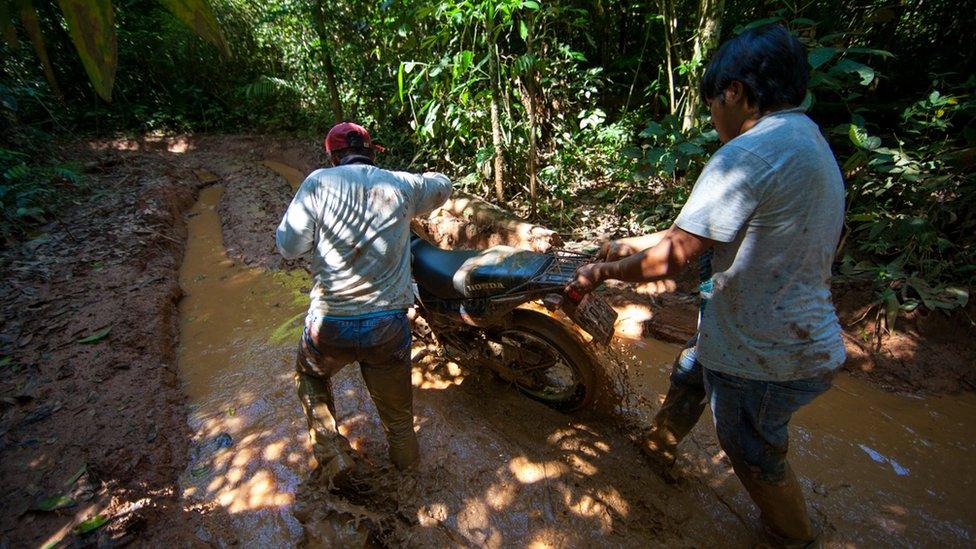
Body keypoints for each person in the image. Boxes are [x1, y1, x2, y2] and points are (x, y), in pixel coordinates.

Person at [569, 25, 845, 547]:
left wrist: (602, 273)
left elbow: (671, 261)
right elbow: (693, 234)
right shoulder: (804, 140)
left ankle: (794, 536)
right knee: (693, 369)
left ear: (734, 91)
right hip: (787, 334)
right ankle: (658, 444)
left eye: (713, 101)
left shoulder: (746, 154)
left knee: (751, 453)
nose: (713, 114)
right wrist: (626, 242)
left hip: (765, 355)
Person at [276, 122, 452, 493]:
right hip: (386, 326)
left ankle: (332, 453)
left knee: (310, 377)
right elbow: (443, 188)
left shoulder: (317, 183)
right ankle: (409, 487)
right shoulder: (400, 184)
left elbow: (289, 247)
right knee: (400, 422)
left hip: (329, 324)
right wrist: (431, 174)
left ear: (333, 156)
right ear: (371, 152)